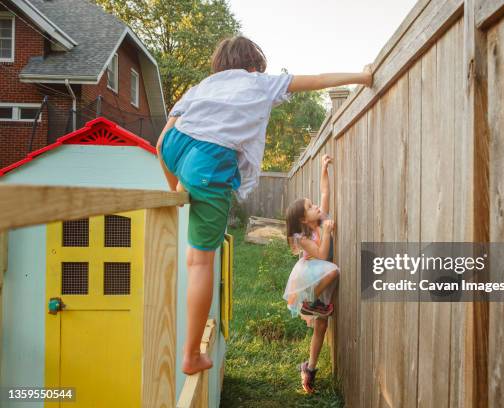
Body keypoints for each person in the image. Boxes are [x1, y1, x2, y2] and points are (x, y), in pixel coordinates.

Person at [156, 35, 372, 375]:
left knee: (189, 225)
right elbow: (316, 81)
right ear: (254, 65)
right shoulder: (260, 82)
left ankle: (182, 188)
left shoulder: (203, 86)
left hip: (173, 145)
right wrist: (361, 78)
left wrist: (175, 190)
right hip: (209, 161)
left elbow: (163, 138)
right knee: (200, 263)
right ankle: (189, 356)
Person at [284, 154, 339, 393]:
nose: (317, 206)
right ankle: (309, 301)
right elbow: (323, 255)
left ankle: (310, 368)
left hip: (321, 279)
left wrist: (324, 169)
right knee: (335, 270)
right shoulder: (305, 238)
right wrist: (326, 233)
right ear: (303, 220)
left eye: (313, 204)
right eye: (310, 207)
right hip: (312, 275)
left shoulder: (319, 219)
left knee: (322, 326)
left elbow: (325, 193)